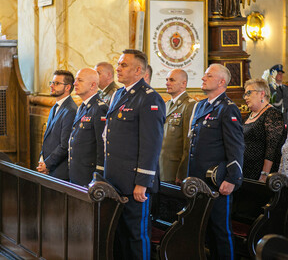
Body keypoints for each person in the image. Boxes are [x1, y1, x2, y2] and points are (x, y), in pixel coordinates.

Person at [104, 49, 165, 260]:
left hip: (133, 182)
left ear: (139, 70)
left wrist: (143, 182)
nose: (118, 69)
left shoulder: (149, 98)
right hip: (115, 179)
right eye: (118, 64)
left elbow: (151, 144)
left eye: (123, 65)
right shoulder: (119, 94)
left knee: (136, 236)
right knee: (119, 235)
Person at [188, 63, 244, 259]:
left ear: (221, 82)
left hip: (217, 180)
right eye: (204, 74)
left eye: (208, 75)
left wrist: (232, 179)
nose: (203, 78)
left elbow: (236, 147)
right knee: (205, 231)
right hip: (198, 179)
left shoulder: (228, 109)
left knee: (220, 230)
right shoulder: (201, 105)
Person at [68, 68, 108, 186]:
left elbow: (101, 144)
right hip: (77, 171)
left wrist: (99, 174)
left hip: (89, 175)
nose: (75, 83)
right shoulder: (82, 107)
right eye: (75, 80)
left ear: (92, 85)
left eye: (79, 80)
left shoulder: (100, 108)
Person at [37, 70, 77, 180]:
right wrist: (42, 159)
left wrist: (47, 164)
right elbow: (48, 138)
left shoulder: (71, 110)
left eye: (56, 83)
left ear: (68, 87)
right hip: (49, 168)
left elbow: (64, 145)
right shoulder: (55, 107)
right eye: (52, 82)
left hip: (59, 171)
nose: (51, 86)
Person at [243, 78, 285, 182]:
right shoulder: (249, 115)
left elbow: (272, 148)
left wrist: (265, 174)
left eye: (249, 93)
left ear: (262, 94)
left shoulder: (272, 114)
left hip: (259, 173)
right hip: (245, 170)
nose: (246, 97)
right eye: (245, 94)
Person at [159, 69, 196, 184]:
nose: (167, 83)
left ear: (183, 84)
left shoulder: (189, 105)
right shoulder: (166, 105)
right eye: (166, 80)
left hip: (174, 169)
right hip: (161, 167)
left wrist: (182, 172)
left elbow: (188, 142)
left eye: (172, 80)